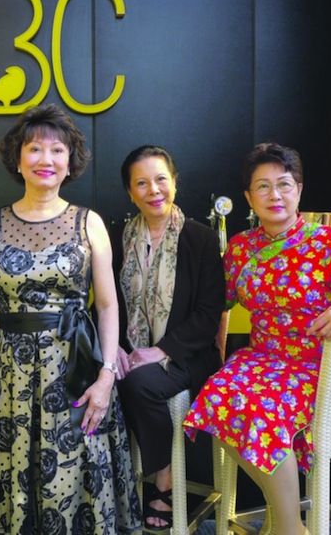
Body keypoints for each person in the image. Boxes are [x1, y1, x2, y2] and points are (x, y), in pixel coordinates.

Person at [183, 142, 331, 535]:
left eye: (284, 184)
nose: (275, 195)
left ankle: (287, 527)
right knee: (217, 398)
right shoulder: (241, 248)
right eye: (263, 187)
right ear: (249, 198)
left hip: (314, 366)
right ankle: (289, 524)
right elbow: (220, 306)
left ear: (299, 190)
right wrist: (215, 357)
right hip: (259, 359)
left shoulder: (327, 244)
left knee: (261, 415)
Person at [0, 104, 141, 534]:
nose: (46, 159)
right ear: (18, 159)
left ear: (70, 162)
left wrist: (107, 376)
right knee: (17, 466)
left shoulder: (89, 222)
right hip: (13, 370)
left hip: (75, 364)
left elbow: (108, 306)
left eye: (57, 150)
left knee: (76, 468)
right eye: (35, 149)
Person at [112, 145, 225, 531]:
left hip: (188, 355)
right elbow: (106, 302)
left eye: (161, 179)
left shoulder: (202, 239)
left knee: (139, 382)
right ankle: (110, 483)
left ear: (174, 182)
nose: (153, 189)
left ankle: (162, 478)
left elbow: (209, 315)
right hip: (131, 348)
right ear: (130, 192)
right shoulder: (119, 237)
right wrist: (114, 347)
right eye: (141, 183)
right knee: (102, 379)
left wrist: (159, 350)